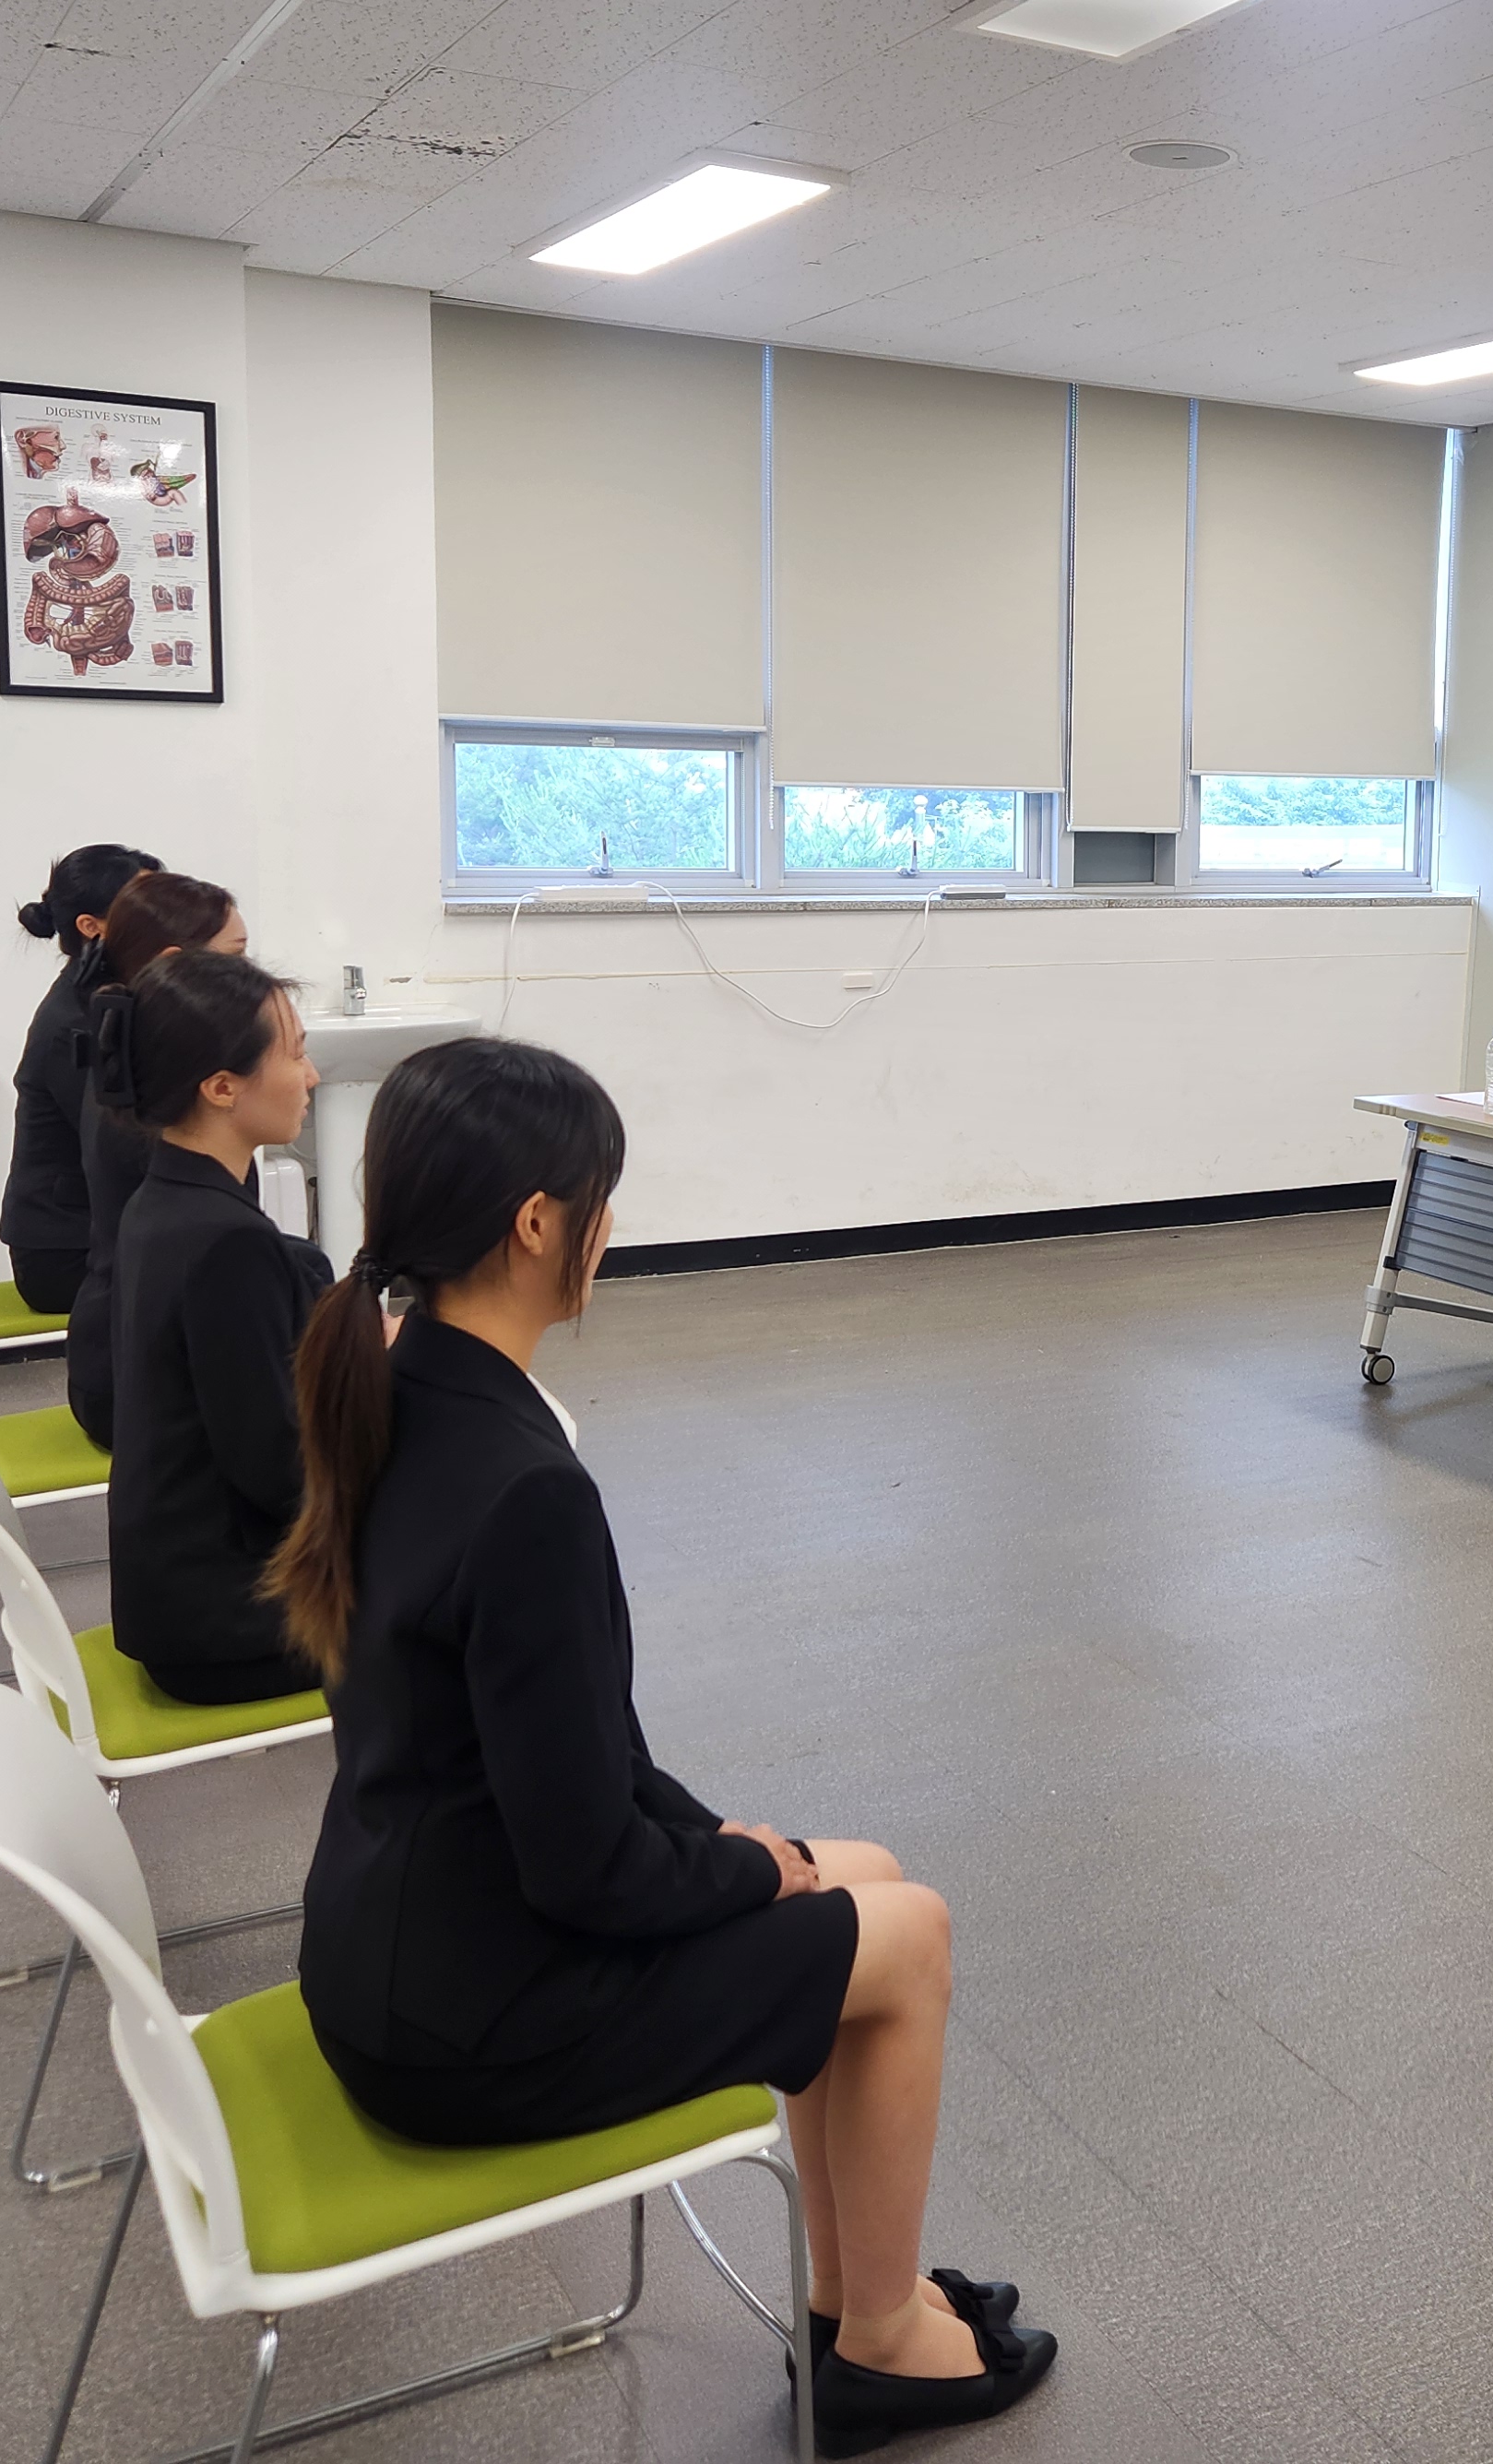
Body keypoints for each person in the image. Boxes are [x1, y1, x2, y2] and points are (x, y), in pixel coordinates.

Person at [269, 1041, 1055, 2453]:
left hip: (386, 1961)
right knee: (912, 1933)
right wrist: (746, 1873)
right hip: (475, 2031)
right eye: (599, 1197)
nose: (609, 1225)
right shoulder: (524, 1488)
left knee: (863, 1875)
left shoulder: (395, 1392)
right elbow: (583, 1868)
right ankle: (882, 2346)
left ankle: (851, 2304)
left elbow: (581, 1758)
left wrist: (739, 1849)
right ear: (537, 1224)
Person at [97, 949, 331, 1705]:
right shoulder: (226, 1241)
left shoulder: (161, 1198)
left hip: (172, 1597)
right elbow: (276, 1467)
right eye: (295, 1055)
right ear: (222, 1086)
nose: (311, 1076)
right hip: (223, 1622)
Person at [66, 871, 243, 1447]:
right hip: (129, 1380)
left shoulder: (130, 1065)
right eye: (237, 958)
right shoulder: (156, 1104)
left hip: (118, 1352)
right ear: (177, 965)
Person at [0, 843, 155, 1316]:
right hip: (64, 1255)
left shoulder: (103, 998)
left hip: (93, 1231)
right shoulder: (74, 1023)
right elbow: (118, 1146)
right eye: (144, 908)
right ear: (91, 926)